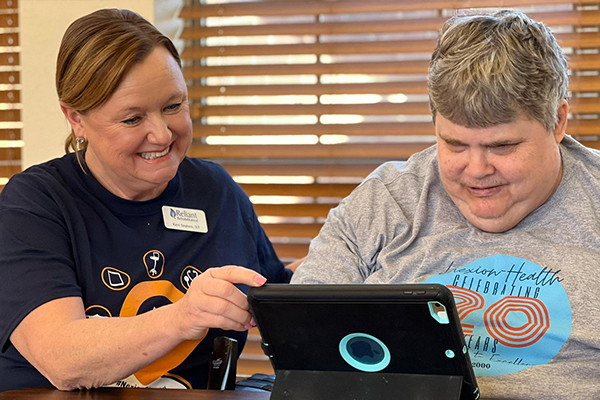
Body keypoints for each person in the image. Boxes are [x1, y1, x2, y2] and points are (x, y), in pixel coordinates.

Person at [291, 10, 599, 400]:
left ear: (557, 121)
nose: (476, 170)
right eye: (454, 144)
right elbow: (302, 347)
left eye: (501, 146)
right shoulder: (387, 201)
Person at [0, 9, 292, 392]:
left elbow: (278, 293)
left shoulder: (214, 190)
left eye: (173, 106)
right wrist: (182, 316)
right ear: (76, 119)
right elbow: (62, 359)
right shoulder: (35, 204)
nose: (162, 134)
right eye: (133, 119)